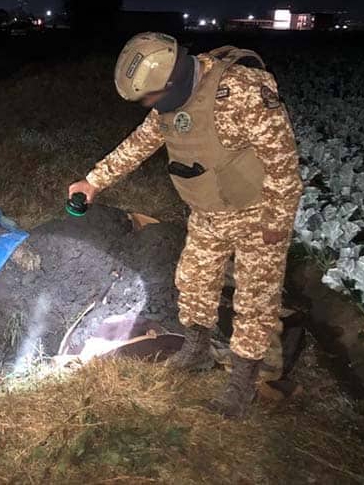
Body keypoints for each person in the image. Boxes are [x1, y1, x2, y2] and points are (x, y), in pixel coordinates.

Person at [68, 32, 302, 419]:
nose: (148, 105)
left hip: (258, 213)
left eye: (150, 97)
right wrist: (93, 181)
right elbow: (139, 144)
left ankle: (241, 387)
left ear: (171, 81)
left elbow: (283, 162)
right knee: (193, 282)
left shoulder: (242, 91)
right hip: (209, 212)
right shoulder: (170, 104)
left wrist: (276, 222)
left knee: (254, 302)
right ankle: (195, 353)